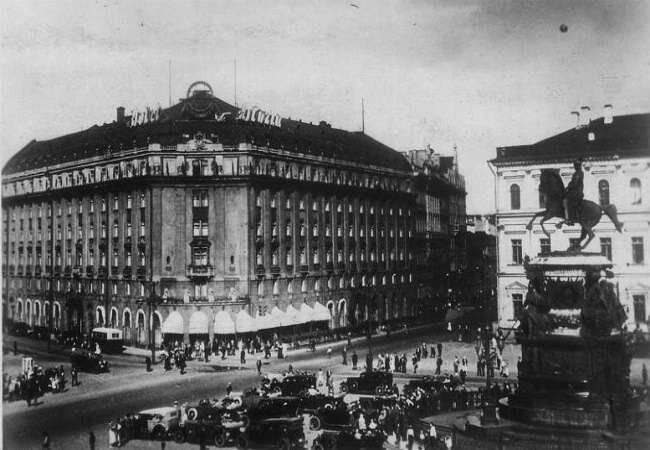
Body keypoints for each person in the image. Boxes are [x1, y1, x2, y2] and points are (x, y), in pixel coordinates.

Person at [563, 158, 584, 225]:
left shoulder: (578, 173)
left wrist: (568, 188)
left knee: (565, 200)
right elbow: (573, 182)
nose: (575, 167)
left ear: (578, 166)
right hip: (577, 191)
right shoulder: (578, 173)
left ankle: (569, 219)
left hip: (577, 192)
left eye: (575, 165)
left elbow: (574, 182)